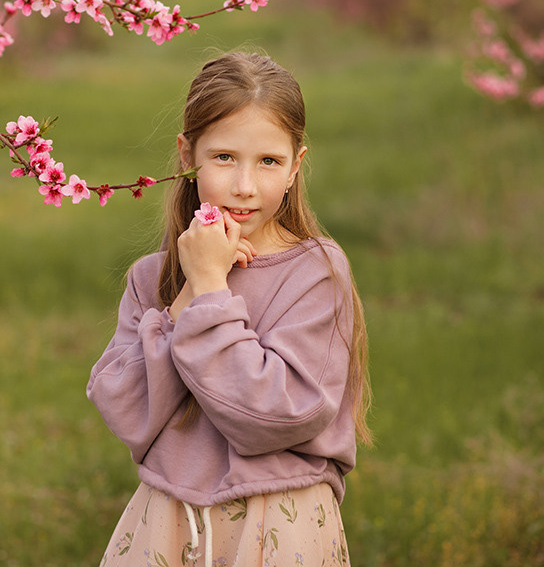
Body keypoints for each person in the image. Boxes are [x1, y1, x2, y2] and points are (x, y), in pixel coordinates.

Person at [87, 52, 372, 567]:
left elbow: (276, 416)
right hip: (169, 524)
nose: (245, 185)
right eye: (223, 158)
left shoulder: (316, 272)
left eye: (268, 161)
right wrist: (188, 292)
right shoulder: (152, 278)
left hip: (277, 528)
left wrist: (214, 289)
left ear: (295, 167)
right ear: (186, 156)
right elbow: (127, 411)